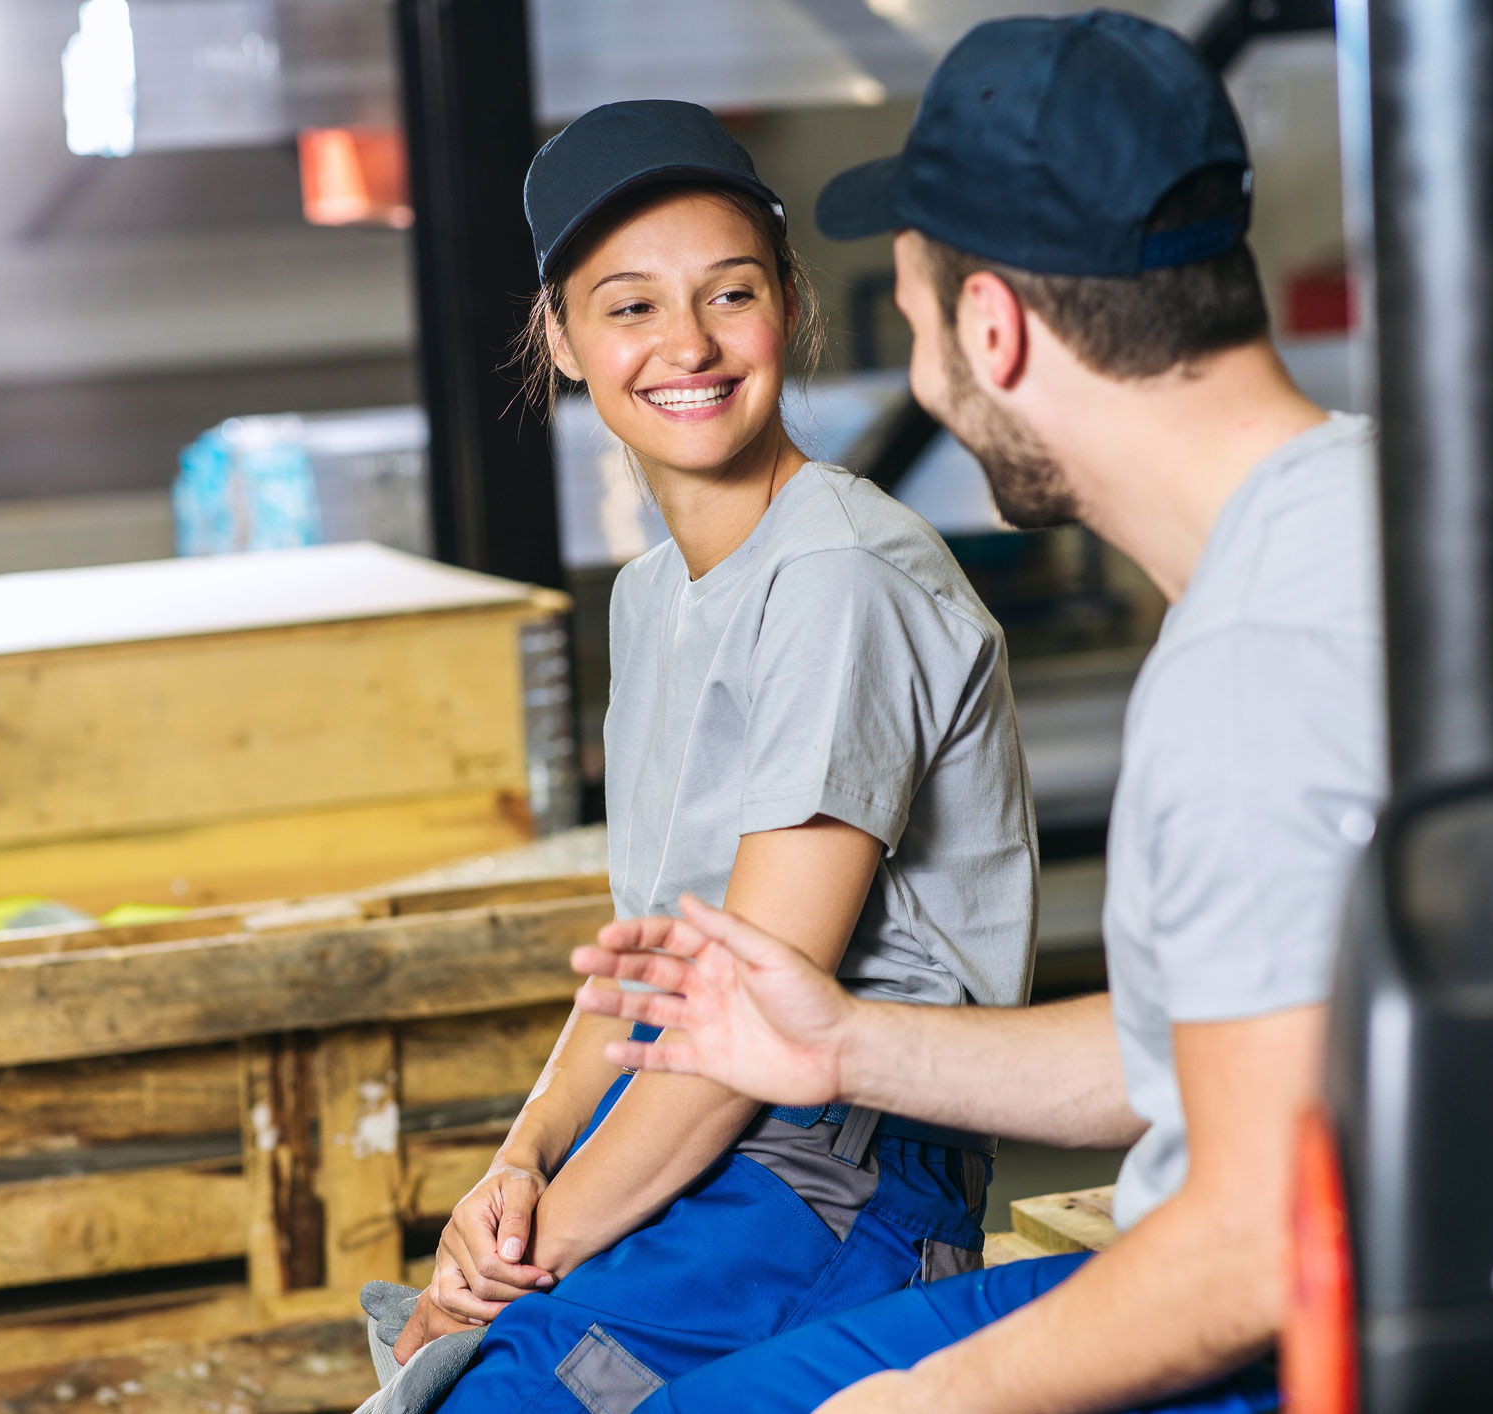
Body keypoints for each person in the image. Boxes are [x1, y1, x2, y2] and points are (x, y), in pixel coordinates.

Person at [571, 13, 1493, 1414]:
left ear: (993, 329)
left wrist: (918, 1405)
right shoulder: (1375, 512)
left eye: (909, 321)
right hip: (1441, 1261)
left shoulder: (1254, 668)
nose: (919, 377)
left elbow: (1248, 1250)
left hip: (1337, 1334)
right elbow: (1219, 1034)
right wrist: (841, 1041)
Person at [391, 99, 1044, 1413]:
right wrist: (508, 1179)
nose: (684, 345)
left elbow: (757, 1004)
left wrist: (532, 1265)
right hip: (701, 1124)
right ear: (561, 338)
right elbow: (647, 961)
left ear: (788, 306)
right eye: (627, 306)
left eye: (726, 293)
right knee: (449, 1355)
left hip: (838, 1172)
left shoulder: (837, 576)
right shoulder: (650, 597)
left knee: (491, 1394)